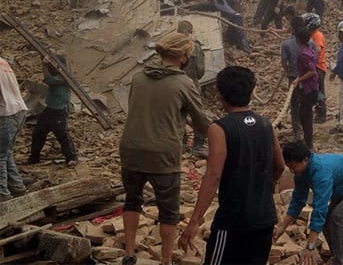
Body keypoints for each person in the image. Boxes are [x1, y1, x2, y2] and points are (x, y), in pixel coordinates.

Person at [178, 66, 285, 265]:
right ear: (252, 92)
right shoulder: (266, 125)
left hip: (233, 221)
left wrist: (194, 221)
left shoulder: (219, 128)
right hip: (264, 218)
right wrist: (264, 187)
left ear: (220, 95)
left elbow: (213, 176)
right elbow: (279, 165)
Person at [119, 33, 209, 265]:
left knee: (132, 200)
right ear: (182, 56)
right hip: (163, 155)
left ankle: (129, 255)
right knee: (168, 211)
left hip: (131, 149)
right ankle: (166, 261)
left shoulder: (138, 78)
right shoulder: (184, 83)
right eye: (188, 54)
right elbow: (201, 123)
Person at [274, 141, 343, 265]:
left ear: (305, 160)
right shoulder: (301, 172)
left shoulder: (321, 172)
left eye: (293, 167)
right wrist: (282, 227)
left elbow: (319, 208)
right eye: (289, 167)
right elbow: (297, 200)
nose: (291, 170)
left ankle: (342, 261)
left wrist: (310, 246)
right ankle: (338, 256)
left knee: (337, 216)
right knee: (328, 218)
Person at [27, 55, 77, 166]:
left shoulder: (65, 76)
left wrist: (44, 65)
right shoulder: (58, 74)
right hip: (51, 108)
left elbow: (49, 80)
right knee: (38, 132)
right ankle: (34, 158)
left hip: (60, 109)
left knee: (62, 134)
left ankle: (71, 158)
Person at [176, 20, 207, 157]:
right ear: (191, 31)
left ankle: (181, 143)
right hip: (192, 84)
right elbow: (200, 71)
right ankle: (198, 145)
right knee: (197, 114)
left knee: (178, 113)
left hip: (175, 84)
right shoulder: (196, 47)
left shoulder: (172, 46)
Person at [281, 17, 315, 142]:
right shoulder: (311, 43)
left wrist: (288, 71)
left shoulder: (286, 44)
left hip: (294, 78)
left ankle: (297, 132)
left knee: (294, 104)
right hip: (308, 80)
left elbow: (284, 62)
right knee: (307, 107)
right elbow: (314, 62)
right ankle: (308, 136)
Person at [0, 57, 29, 202]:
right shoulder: (3, 62)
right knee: (6, 153)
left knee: (0, 155)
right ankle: (17, 187)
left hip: (6, 114)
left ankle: (3, 194)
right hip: (19, 110)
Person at [293, 27, 319, 149]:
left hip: (308, 88)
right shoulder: (310, 50)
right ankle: (308, 140)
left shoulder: (303, 54)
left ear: (298, 40)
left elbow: (312, 71)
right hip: (311, 87)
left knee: (305, 115)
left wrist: (299, 80)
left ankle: (308, 143)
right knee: (304, 114)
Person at [302, 13, 328, 123]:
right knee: (314, 90)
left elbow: (316, 51)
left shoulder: (317, 35)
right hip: (314, 67)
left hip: (318, 68)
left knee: (319, 91)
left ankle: (321, 114)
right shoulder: (312, 35)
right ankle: (318, 111)